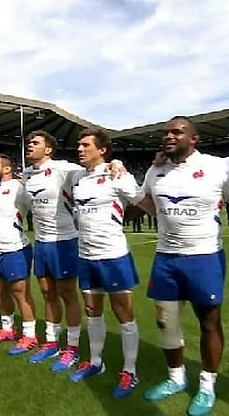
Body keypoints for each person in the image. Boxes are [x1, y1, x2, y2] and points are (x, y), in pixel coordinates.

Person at [138, 116, 229, 416]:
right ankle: (176, 378)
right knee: (166, 321)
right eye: (166, 131)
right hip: (166, 257)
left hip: (204, 256)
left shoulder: (218, 167)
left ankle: (207, 385)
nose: (169, 136)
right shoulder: (156, 171)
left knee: (209, 322)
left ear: (193, 138)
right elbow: (149, 204)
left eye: (177, 132)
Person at [66, 128, 144, 399]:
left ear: (102, 150)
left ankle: (130, 371)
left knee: (123, 312)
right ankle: (97, 362)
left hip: (113, 255)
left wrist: (119, 164)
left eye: (86, 145)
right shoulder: (76, 178)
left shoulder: (117, 175)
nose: (80, 149)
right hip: (86, 255)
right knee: (92, 310)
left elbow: (141, 199)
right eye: (79, 144)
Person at [21, 130, 86, 371]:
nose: (29, 145)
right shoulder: (27, 174)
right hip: (42, 242)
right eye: (28, 142)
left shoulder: (62, 168)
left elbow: (92, 170)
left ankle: (73, 348)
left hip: (65, 240)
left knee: (67, 294)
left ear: (48, 149)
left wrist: (115, 164)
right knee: (47, 292)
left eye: (35, 142)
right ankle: (51, 342)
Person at [0, 154, 38, 354]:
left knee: (20, 293)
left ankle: (29, 335)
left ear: (6, 169)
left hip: (15, 249)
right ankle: (7, 329)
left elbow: (37, 201)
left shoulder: (18, 188)